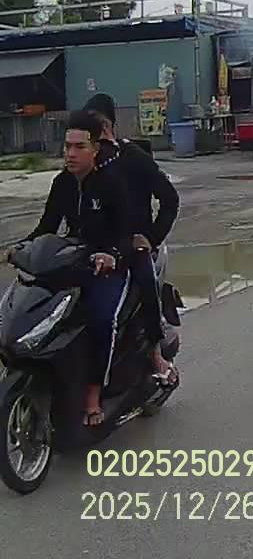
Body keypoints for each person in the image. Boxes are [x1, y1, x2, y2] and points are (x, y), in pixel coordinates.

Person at [15, 111, 134, 426]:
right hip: (74, 262)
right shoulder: (62, 183)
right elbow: (46, 228)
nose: (70, 153)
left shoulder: (111, 183)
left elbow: (126, 233)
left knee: (101, 319)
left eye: (79, 146)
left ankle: (94, 393)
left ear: (95, 149)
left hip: (110, 267)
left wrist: (111, 255)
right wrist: (17, 249)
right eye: (67, 146)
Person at [82, 93, 180, 388]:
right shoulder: (85, 164)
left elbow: (170, 199)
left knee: (145, 280)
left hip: (134, 245)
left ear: (107, 126)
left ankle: (155, 353)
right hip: (96, 245)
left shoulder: (134, 158)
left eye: (95, 127)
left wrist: (151, 237)